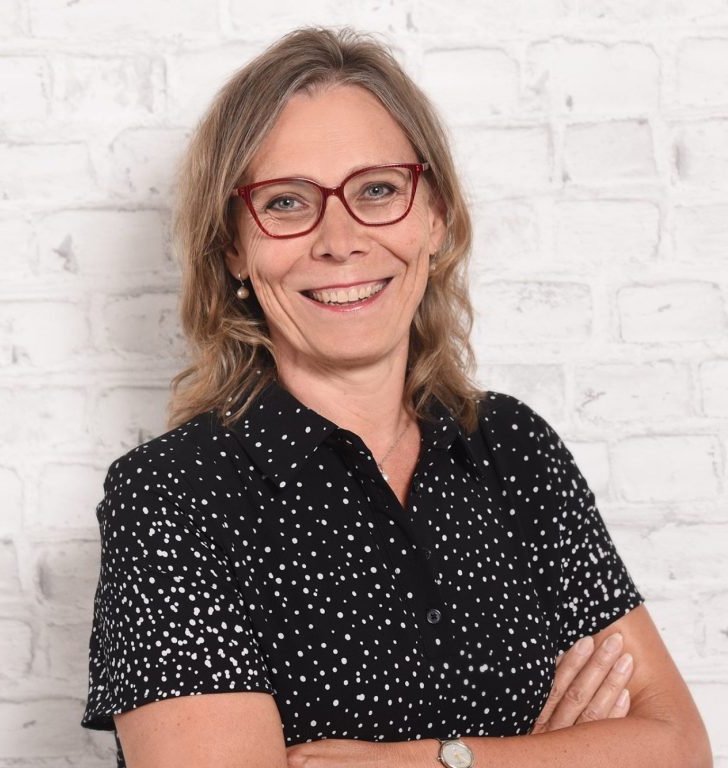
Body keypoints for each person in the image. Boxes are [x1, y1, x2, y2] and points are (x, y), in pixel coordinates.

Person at [81, 27, 711, 768]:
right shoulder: (173, 496)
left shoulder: (513, 449)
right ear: (233, 248)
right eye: (286, 202)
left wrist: (437, 760)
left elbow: (678, 748)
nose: (340, 240)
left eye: (378, 190)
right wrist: (550, 755)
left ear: (435, 215)